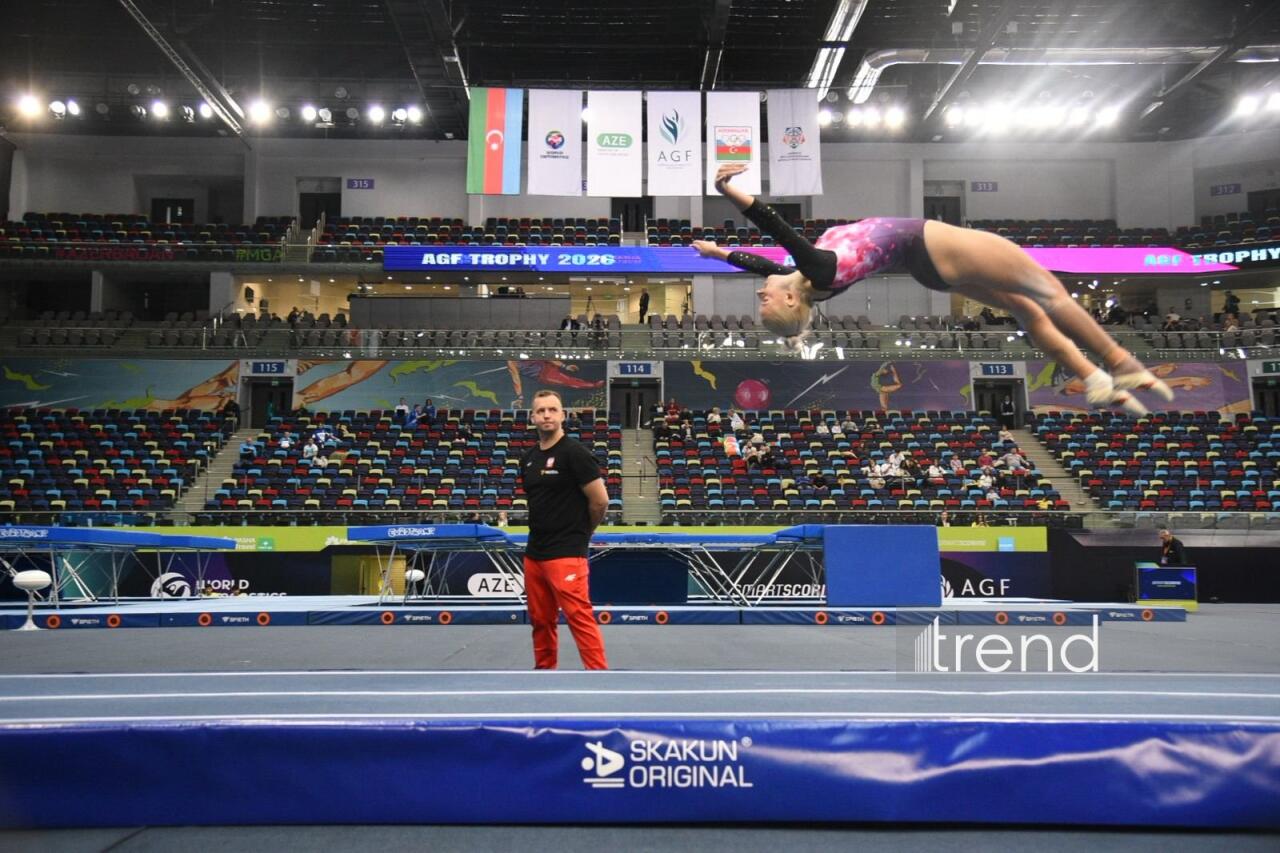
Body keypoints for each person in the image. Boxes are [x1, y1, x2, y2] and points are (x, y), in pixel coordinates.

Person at [692, 163, 1173, 415]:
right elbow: (779, 228)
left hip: (930, 268)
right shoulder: (816, 269)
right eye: (767, 301)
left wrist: (719, 254)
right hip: (933, 243)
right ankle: (1124, 365)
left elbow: (761, 264)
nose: (761, 294)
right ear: (793, 299)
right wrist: (730, 193)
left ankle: (1093, 380)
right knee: (1049, 293)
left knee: (1029, 312)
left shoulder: (811, 280)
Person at [518, 389, 609, 670]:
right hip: (535, 553)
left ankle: (599, 676)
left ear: (562, 416)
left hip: (567, 551)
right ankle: (544, 674)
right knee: (540, 620)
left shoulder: (575, 454)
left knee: (579, 617)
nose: (547, 415)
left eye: (553, 410)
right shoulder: (529, 458)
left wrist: (584, 534)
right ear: (532, 417)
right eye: (541, 410)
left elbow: (600, 500)